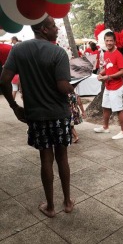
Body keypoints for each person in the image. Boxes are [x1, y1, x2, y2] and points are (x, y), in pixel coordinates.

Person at [0, 16, 75, 218]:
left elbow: (4, 80)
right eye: (53, 26)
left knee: (45, 159)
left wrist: (14, 106)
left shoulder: (18, 50)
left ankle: (50, 206)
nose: (57, 29)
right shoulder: (58, 52)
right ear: (43, 29)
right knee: (63, 157)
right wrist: (72, 87)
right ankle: (67, 201)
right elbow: (62, 86)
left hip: (36, 116)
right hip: (59, 114)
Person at [94, 31, 123, 140]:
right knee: (105, 107)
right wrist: (101, 74)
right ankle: (105, 127)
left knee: (118, 109)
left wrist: (109, 77)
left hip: (117, 86)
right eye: (107, 40)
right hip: (108, 85)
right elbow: (107, 67)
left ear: (114, 41)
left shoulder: (118, 55)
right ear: (104, 41)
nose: (109, 43)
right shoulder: (107, 53)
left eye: (111, 41)